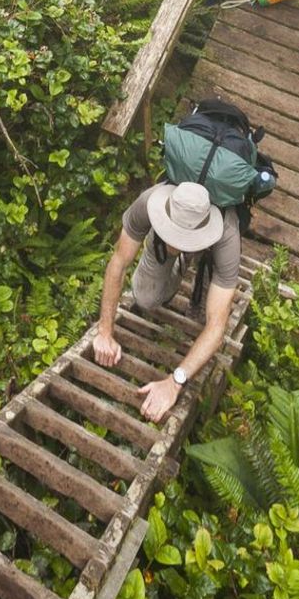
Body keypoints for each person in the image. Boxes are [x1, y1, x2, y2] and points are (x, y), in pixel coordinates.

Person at [92, 177, 240, 422]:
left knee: (204, 315)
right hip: (162, 238)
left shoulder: (227, 236)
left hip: (212, 249)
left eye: (185, 239)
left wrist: (175, 381)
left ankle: (199, 265)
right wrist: (105, 331)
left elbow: (217, 327)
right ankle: (179, 263)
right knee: (145, 297)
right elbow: (118, 261)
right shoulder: (148, 202)